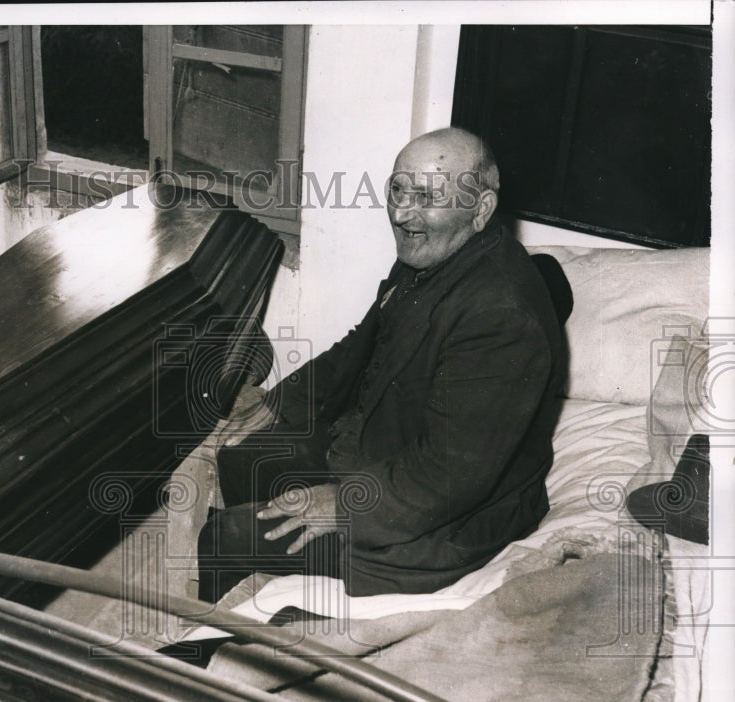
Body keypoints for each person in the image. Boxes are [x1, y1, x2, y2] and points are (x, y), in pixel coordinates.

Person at [195, 127, 566, 604]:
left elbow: (447, 476)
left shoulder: (500, 315)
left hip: (452, 515)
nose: (403, 212)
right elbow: (358, 348)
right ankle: (268, 589)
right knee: (241, 458)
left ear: (482, 209)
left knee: (226, 535)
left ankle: (206, 649)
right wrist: (276, 404)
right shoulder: (428, 252)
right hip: (387, 446)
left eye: (428, 196)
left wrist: (342, 505)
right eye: (397, 189)